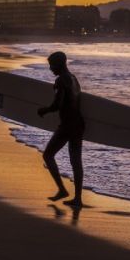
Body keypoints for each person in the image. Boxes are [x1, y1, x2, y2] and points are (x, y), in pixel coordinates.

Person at [37, 51, 85, 207]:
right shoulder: (74, 79)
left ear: (60, 64)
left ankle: (62, 189)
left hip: (67, 126)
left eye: (52, 65)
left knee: (48, 155)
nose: (50, 68)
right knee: (76, 162)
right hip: (78, 124)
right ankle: (78, 198)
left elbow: (57, 104)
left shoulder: (61, 81)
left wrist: (44, 110)